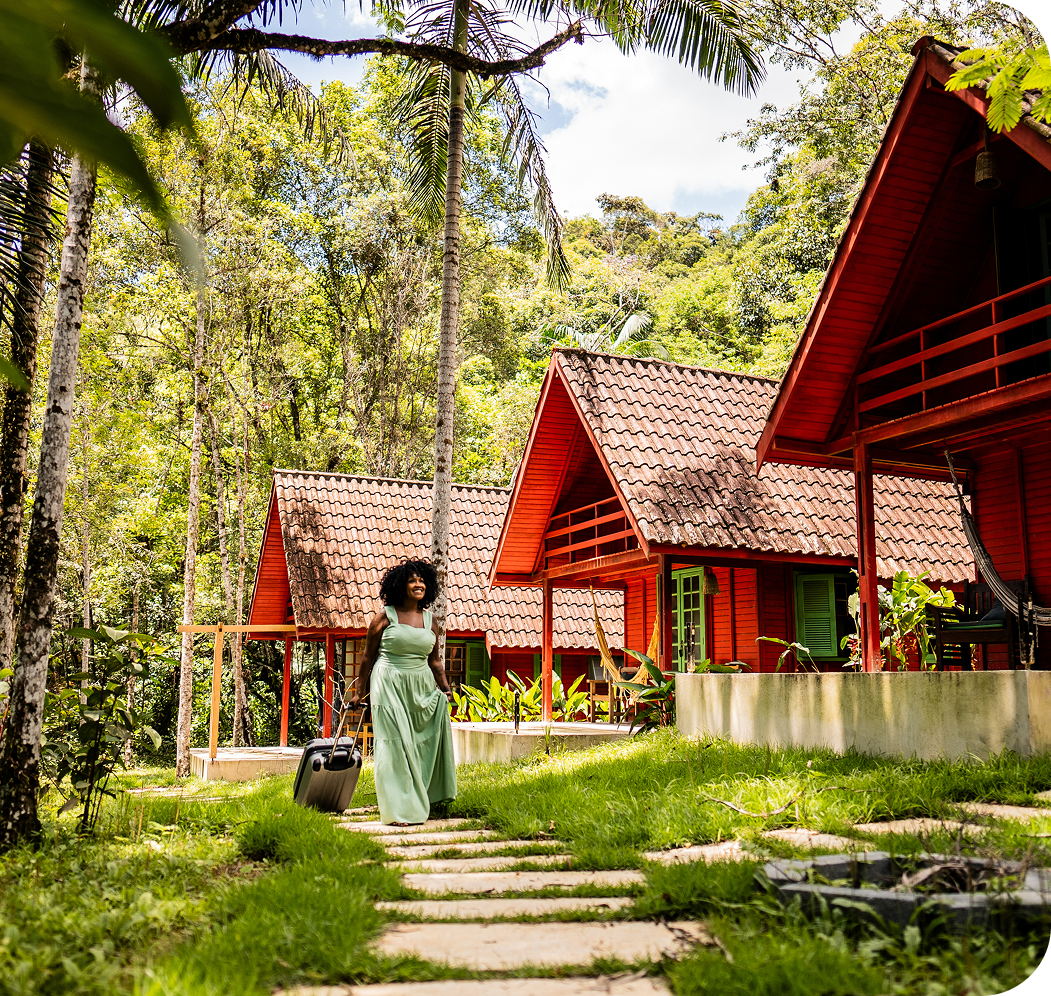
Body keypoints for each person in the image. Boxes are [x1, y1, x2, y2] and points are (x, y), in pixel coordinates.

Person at [349, 558, 456, 825]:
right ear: (400, 586)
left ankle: (422, 795)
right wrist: (358, 693)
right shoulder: (385, 617)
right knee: (393, 744)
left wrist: (445, 689)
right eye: (412, 580)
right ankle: (397, 810)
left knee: (419, 744)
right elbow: (367, 658)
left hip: (420, 686)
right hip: (388, 683)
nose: (418, 584)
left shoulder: (432, 622)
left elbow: (435, 661)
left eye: (421, 580)